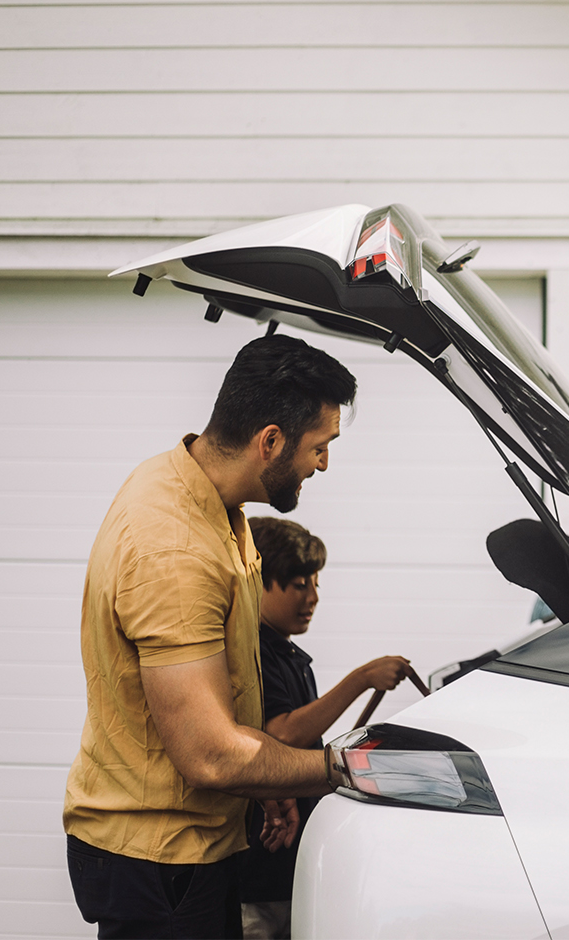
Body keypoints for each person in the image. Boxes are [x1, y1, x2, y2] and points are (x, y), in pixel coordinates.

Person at [64, 334, 359, 940]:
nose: (324, 464)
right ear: (269, 440)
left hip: (196, 844)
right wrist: (343, 770)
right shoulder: (172, 549)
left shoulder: (215, 505)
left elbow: (225, 712)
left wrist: (262, 783)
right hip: (161, 862)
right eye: (320, 446)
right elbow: (209, 755)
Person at [239, 516, 413, 939]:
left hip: (287, 872)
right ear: (258, 582)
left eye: (315, 583)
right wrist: (361, 678)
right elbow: (282, 736)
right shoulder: (255, 653)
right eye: (299, 584)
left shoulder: (289, 655)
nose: (313, 597)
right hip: (257, 876)